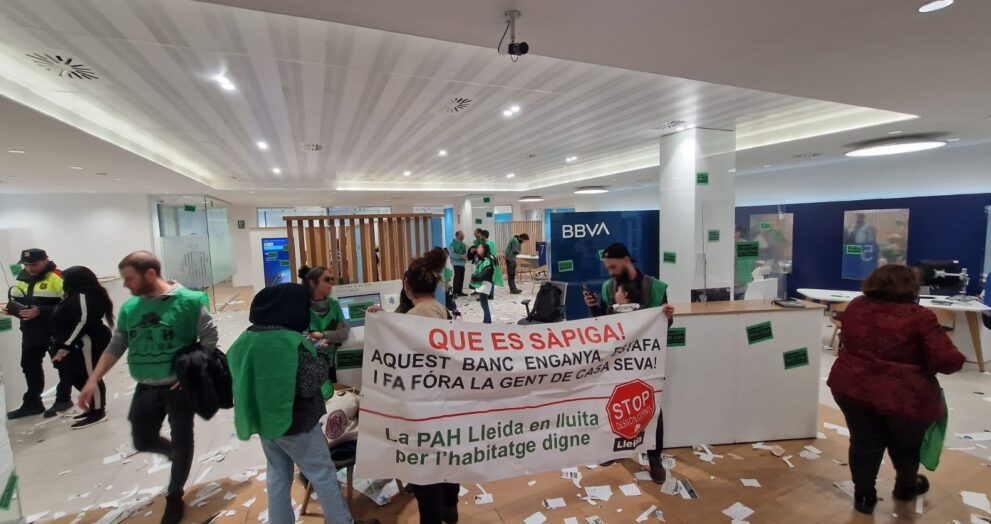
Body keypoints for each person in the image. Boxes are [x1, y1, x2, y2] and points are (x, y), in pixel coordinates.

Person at [79, 251, 217, 524]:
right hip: (146, 386)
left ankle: (174, 494)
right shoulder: (131, 308)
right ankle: (175, 456)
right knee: (142, 439)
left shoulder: (189, 301)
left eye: (129, 278)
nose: (125, 284)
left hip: (178, 388)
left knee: (182, 437)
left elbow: (209, 336)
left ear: (150, 274)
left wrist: (191, 370)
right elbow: (117, 345)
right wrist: (93, 379)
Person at [227, 284, 376, 524]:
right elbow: (308, 385)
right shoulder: (292, 343)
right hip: (297, 423)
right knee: (323, 474)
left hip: (265, 420)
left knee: (278, 474)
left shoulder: (246, 338)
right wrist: (322, 355)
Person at [827, 264, 965, 515]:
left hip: (852, 386)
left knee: (863, 442)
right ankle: (906, 487)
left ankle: (864, 497)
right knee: (906, 446)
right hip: (904, 396)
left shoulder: (857, 306)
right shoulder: (919, 317)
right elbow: (948, 361)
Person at [368, 251, 459, 524]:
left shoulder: (413, 317)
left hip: (421, 408)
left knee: (425, 472)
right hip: (444, 401)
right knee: (446, 460)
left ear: (407, 286)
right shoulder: (441, 310)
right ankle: (450, 506)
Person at [583, 242, 673, 483]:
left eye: (613, 267)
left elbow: (662, 326)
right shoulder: (608, 287)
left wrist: (668, 316)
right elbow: (602, 325)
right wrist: (594, 308)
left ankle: (654, 457)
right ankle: (615, 450)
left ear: (626, 260)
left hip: (647, 363)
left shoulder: (655, 287)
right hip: (618, 362)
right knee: (615, 406)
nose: (610, 272)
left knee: (651, 407)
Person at [3, 248, 73, 419]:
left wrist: (40, 310)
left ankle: (63, 399)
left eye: (33, 264)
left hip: (55, 329)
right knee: (29, 365)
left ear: (45, 260)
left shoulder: (58, 277)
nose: (29, 268)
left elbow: (70, 305)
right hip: (31, 330)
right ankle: (33, 403)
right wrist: (12, 309)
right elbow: (20, 300)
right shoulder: (22, 279)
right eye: (26, 264)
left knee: (62, 365)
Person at [49, 266, 114, 429]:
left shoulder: (84, 296)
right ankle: (93, 407)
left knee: (90, 375)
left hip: (88, 341)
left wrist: (66, 345)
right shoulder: (74, 295)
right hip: (77, 342)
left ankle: (98, 411)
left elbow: (83, 321)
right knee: (77, 374)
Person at [298, 265, 349, 389]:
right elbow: (303, 338)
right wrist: (334, 334)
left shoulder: (334, 304)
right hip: (310, 367)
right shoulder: (302, 307)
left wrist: (321, 334)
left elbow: (344, 333)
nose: (331, 283)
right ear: (313, 283)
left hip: (333, 365)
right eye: (326, 280)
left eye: (332, 279)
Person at [470, 243, 496, 324]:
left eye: (480, 247)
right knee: (483, 303)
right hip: (482, 283)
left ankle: (488, 321)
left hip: (485, 283)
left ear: (484, 250)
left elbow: (485, 273)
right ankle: (486, 320)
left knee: (484, 303)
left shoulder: (487, 261)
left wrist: (476, 277)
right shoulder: (482, 260)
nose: (478, 248)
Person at [448, 231, 468, 297]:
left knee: (461, 278)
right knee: (457, 277)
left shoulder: (463, 244)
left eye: (463, 234)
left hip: (462, 263)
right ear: (457, 235)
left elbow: (465, 252)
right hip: (456, 263)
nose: (463, 236)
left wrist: (466, 255)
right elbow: (451, 254)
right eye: (462, 234)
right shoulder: (452, 244)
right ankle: (455, 292)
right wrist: (460, 256)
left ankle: (459, 292)